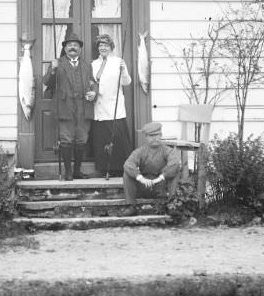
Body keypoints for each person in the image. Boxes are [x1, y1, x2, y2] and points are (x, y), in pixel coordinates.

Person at [43, 32, 97, 180]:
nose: (72, 47)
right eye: (69, 45)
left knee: (81, 139)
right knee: (66, 139)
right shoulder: (57, 63)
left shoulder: (87, 65)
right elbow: (47, 82)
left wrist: (94, 92)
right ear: (65, 48)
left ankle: (77, 171)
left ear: (80, 48)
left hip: (83, 107)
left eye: (75, 45)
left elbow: (93, 82)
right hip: (64, 107)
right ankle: (68, 172)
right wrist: (53, 69)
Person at [91, 34, 132, 178]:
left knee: (117, 138)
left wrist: (124, 70)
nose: (103, 47)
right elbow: (91, 83)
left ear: (111, 47)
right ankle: (104, 168)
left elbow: (126, 82)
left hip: (115, 106)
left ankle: (120, 169)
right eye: (100, 45)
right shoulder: (94, 64)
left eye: (106, 45)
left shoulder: (118, 62)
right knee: (102, 138)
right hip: (100, 106)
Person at [120, 121, 181, 215]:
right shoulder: (140, 151)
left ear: (161, 135)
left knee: (175, 172)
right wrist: (140, 178)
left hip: (161, 185)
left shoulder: (167, 150)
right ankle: (131, 206)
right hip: (144, 186)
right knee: (127, 174)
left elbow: (175, 163)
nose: (154, 138)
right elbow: (128, 164)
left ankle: (172, 205)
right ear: (146, 137)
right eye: (151, 135)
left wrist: (160, 178)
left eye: (156, 135)